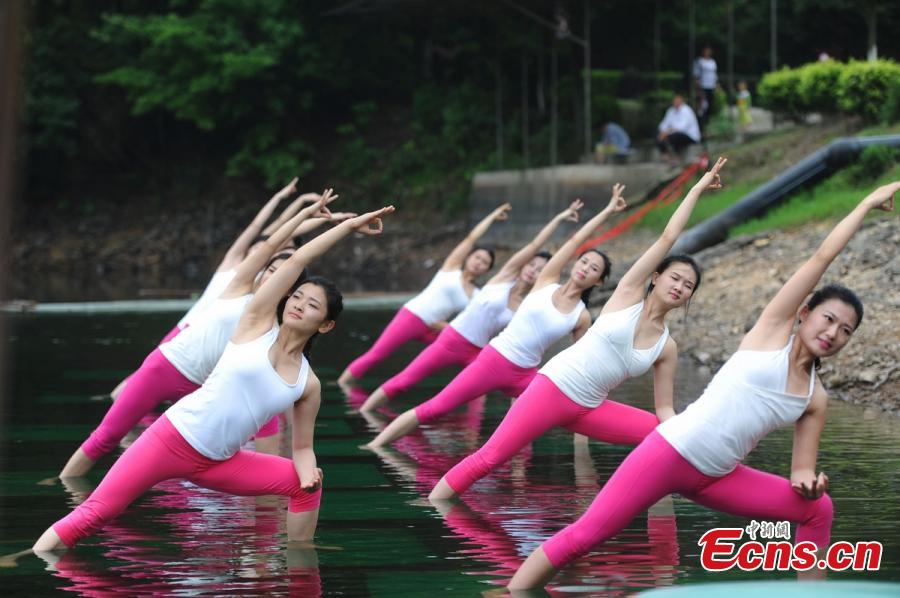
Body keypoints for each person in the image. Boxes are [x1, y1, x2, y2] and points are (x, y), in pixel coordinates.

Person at [507, 181, 898, 590]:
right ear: (804, 313)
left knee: (818, 508)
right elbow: (822, 256)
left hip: (719, 477)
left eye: (846, 330)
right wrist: (866, 203)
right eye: (828, 319)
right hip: (669, 453)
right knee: (584, 537)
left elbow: (800, 471)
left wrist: (809, 483)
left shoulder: (814, 398)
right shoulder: (770, 334)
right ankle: (511, 590)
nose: (833, 332)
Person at [32, 203, 396, 552]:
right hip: (170, 439)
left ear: (326, 325)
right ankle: (41, 556)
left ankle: (300, 564)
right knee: (94, 515)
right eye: (297, 296)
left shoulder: (308, 383)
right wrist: (347, 227)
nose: (300, 304)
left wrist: (307, 474)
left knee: (307, 487)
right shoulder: (255, 323)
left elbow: (301, 447)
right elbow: (298, 258)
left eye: (312, 305)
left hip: (220, 463)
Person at [428, 158, 727, 502]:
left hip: (591, 408)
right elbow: (668, 236)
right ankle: (433, 506)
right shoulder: (628, 295)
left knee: (660, 434)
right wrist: (697, 188)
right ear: (657, 277)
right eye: (675, 277)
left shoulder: (667, 346)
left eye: (688, 285)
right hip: (553, 388)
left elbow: (664, 411)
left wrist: (690, 433)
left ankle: (656, 530)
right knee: (491, 458)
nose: (680, 287)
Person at [57, 195, 338, 477]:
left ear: (290, 288)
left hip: (205, 386)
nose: (272, 276)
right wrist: (307, 214)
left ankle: (269, 499)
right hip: (168, 366)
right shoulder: (239, 286)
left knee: (258, 431)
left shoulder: (277, 322)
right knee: (106, 436)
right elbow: (268, 244)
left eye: (282, 276)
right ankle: (66, 483)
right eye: (271, 270)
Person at [364, 186, 628, 449]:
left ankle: (571, 457)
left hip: (526, 373)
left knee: (550, 414)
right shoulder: (546, 281)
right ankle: (375, 446)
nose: (585, 269)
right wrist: (605, 211)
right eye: (584, 262)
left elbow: (581, 360)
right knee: (436, 407)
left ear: (600, 280)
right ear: (575, 262)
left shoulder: (581, 317)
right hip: (494, 359)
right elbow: (571, 243)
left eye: (594, 269)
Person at [357, 200, 583, 413]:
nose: (533, 270)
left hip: (479, 352)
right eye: (532, 264)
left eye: (539, 270)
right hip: (452, 339)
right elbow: (535, 243)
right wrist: (560, 218)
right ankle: (365, 412)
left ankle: (479, 437)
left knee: (478, 400)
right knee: (405, 380)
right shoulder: (504, 277)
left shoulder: (530, 303)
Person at [337, 204, 511, 389]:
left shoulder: (477, 294)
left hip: (434, 329)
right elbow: (471, 238)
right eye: (477, 257)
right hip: (412, 316)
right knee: (377, 355)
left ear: (488, 270)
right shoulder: (450, 269)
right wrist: (491, 217)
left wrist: (447, 326)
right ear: (468, 257)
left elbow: (468, 322)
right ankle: (342, 385)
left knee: (475, 360)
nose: (479, 263)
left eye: (485, 263)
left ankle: (473, 410)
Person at [657, 95, 700, 164]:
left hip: (690, 136)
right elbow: (663, 125)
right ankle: (666, 156)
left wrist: (667, 132)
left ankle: (677, 156)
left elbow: (681, 128)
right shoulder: (671, 111)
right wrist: (663, 132)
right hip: (673, 133)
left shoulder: (686, 110)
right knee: (659, 136)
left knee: (676, 136)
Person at [693, 45, 718, 129]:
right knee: (702, 107)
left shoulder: (712, 62)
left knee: (709, 106)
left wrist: (716, 86)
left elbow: (714, 75)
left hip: (711, 87)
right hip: (702, 87)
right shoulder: (699, 61)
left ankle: (707, 125)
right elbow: (696, 76)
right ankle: (700, 126)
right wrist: (698, 88)